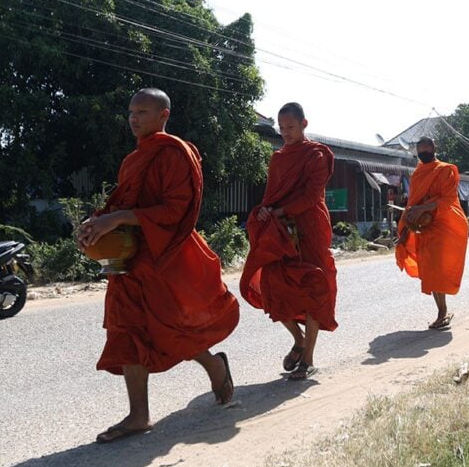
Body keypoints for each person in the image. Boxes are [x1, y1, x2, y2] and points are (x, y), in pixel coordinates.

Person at [76, 88, 239, 443]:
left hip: (166, 253)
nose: (134, 119)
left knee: (171, 327)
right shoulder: (133, 160)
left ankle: (215, 365)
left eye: (143, 112)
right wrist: (96, 223)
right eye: (131, 112)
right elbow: (122, 204)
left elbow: (174, 210)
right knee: (126, 327)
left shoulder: (175, 153)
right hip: (130, 256)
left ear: (163, 115)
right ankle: (139, 415)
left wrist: (120, 217)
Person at [240, 102, 336, 381]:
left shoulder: (316, 155)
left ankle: (308, 359)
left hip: (310, 227)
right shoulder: (278, 158)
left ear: (304, 124)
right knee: (273, 288)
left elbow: (311, 196)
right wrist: (266, 211)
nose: (285, 133)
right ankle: (299, 339)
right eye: (281, 128)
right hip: (280, 231)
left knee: (314, 287)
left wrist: (280, 211)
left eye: (290, 127)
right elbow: (271, 195)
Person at [395, 137, 469, 330]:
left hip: (444, 224)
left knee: (437, 267)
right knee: (430, 268)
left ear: (434, 148)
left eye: (426, 148)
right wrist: (405, 226)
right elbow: (412, 202)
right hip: (424, 226)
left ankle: (442, 312)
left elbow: (448, 199)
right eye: (420, 149)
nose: (423, 152)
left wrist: (423, 208)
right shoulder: (418, 173)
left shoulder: (445, 170)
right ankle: (442, 311)